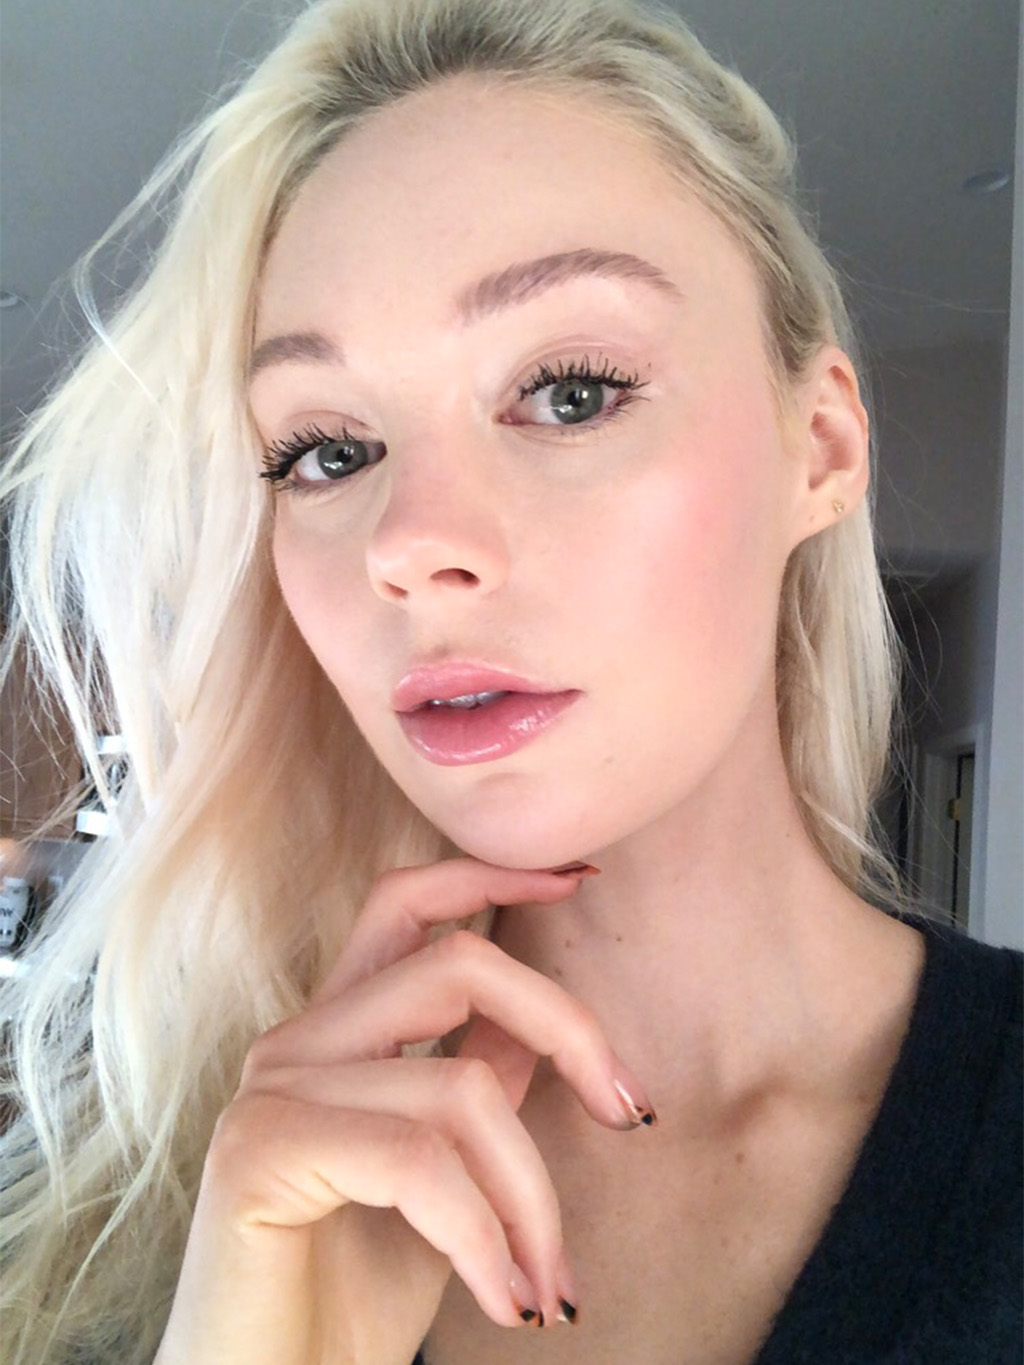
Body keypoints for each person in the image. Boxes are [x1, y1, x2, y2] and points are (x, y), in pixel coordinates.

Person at [1, 0, 1019, 1361]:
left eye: (571, 390)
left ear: (822, 445)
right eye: (327, 451)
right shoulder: (131, 1236)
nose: (410, 546)